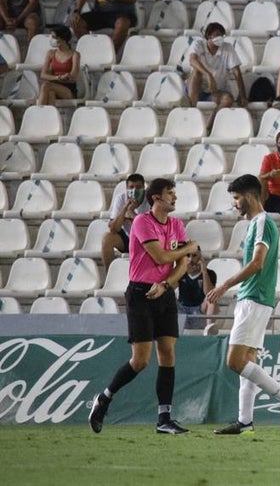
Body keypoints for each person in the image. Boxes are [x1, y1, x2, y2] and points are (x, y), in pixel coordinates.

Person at [88, 178, 199, 435]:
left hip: (164, 292)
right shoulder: (141, 222)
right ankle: (104, 399)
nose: (175, 197)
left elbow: (182, 264)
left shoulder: (177, 225)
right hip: (140, 294)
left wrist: (166, 285)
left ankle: (164, 418)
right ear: (156, 198)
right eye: (170, 193)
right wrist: (188, 249)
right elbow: (160, 257)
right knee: (140, 361)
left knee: (168, 353)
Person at [206, 174, 280, 435]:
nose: (235, 203)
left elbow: (257, 263)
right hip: (256, 298)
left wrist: (225, 285)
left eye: (237, 198)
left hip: (254, 298)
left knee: (234, 361)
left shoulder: (262, 222)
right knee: (248, 361)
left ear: (250, 196)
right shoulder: (256, 224)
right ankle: (245, 421)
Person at [186, 22, 247, 114]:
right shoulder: (198, 44)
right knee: (196, 71)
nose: (220, 37)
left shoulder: (228, 48)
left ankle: (211, 122)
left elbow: (237, 72)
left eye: (222, 35)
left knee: (228, 99)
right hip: (197, 89)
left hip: (215, 92)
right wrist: (208, 75)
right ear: (209, 36)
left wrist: (242, 95)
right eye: (217, 35)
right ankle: (191, 109)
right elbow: (192, 60)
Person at [101, 174, 149, 271]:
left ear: (144, 187)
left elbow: (145, 229)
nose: (134, 190)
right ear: (127, 188)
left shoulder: (150, 200)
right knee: (107, 238)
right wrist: (125, 208)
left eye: (138, 187)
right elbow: (113, 229)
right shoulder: (121, 198)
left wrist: (131, 212)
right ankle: (110, 275)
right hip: (128, 238)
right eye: (131, 187)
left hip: (145, 240)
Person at [176, 248, 218, 332]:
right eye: (188, 256)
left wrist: (204, 271)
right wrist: (181, 269)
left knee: (211, 298)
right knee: (167, 296)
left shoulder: (210, 273)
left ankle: (209, 329)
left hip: (200, 309)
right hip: (182, 308)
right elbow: (171, 287)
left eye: (194, 256)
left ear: (200, 257)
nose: (191, 259)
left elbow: (208, 292)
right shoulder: (180, 272)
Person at [38, 24, 80, 105]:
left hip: (68, 89)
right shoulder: (51, 53)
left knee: (46, 86)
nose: (52, 40)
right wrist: (59, 77)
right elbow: (43, 75)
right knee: (51, 93)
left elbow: (73, 77)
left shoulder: (75, 55)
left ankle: (38, 110)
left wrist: (65, 77)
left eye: (54, 37)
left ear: (63, 39)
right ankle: (50, 113)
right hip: (53, 85)